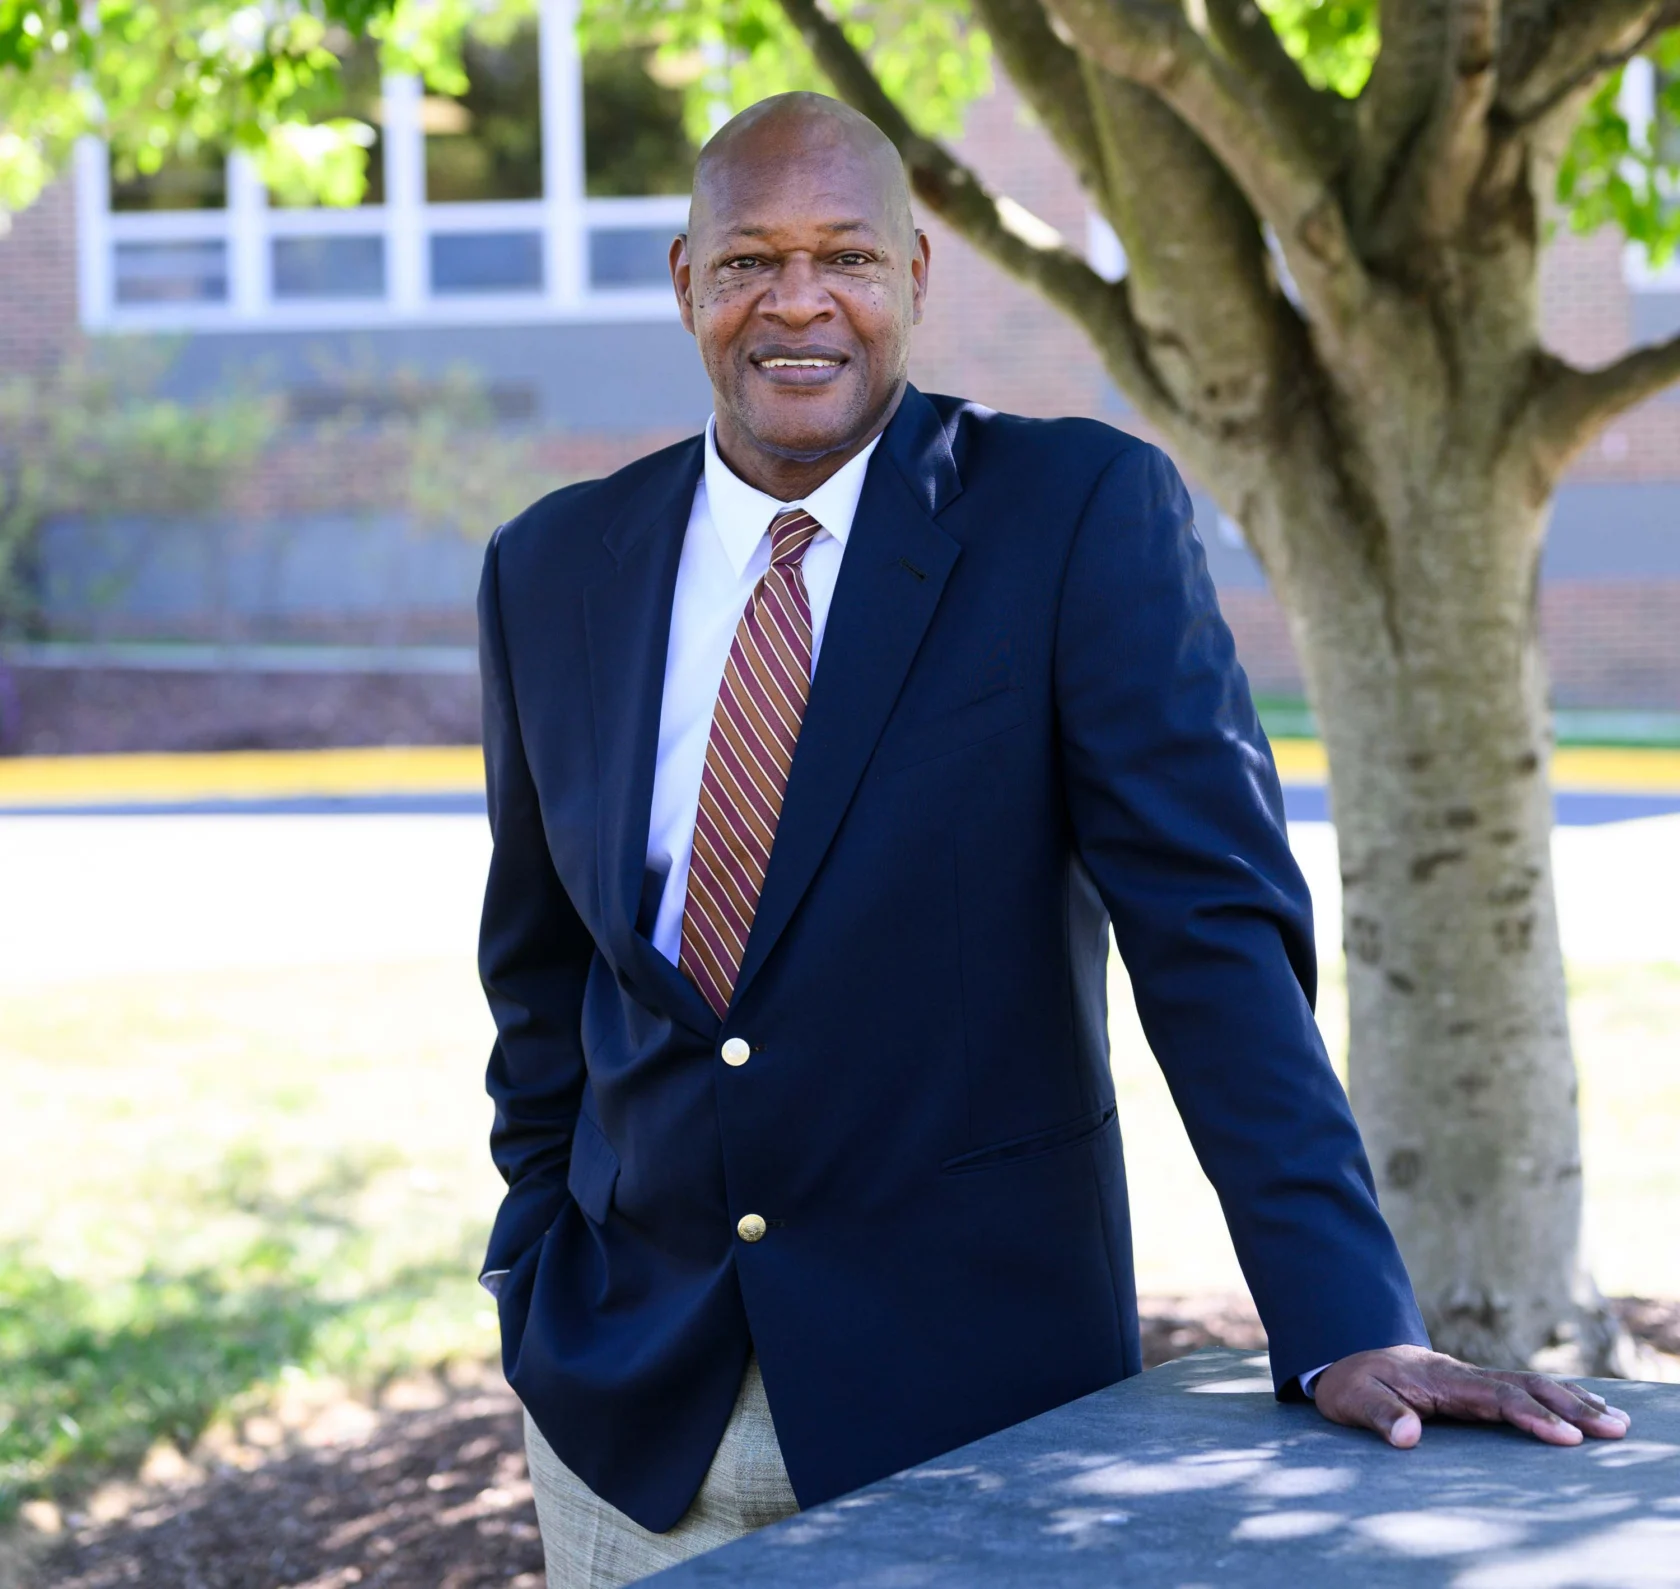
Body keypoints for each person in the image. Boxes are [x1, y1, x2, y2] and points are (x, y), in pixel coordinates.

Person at [473, 92, 1630, 1589]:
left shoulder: (1071, 517)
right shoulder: (554, 566)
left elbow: (1213, 946)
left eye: (847, 256)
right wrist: (531, 1264)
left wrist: (1345, 1315)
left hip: (976, 1423)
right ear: (685, 280)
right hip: (626, 1427)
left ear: (916, 277)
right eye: (752, 259)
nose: (800, 300)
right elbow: (537, 973)